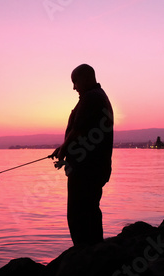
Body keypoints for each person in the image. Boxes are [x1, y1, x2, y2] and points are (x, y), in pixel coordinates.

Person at [51, 64, 114, 246]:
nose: (74, 87)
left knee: (79, 212)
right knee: (89, 210)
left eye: (75, 82)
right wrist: (63, 148)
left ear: (85, 78)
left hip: (87, 169)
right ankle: (92, 250)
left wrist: (63, 151)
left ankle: (86, 253)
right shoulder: (95, 97)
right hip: (91, 167)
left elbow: (78, 130)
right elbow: (83, 131)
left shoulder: (91, 98)